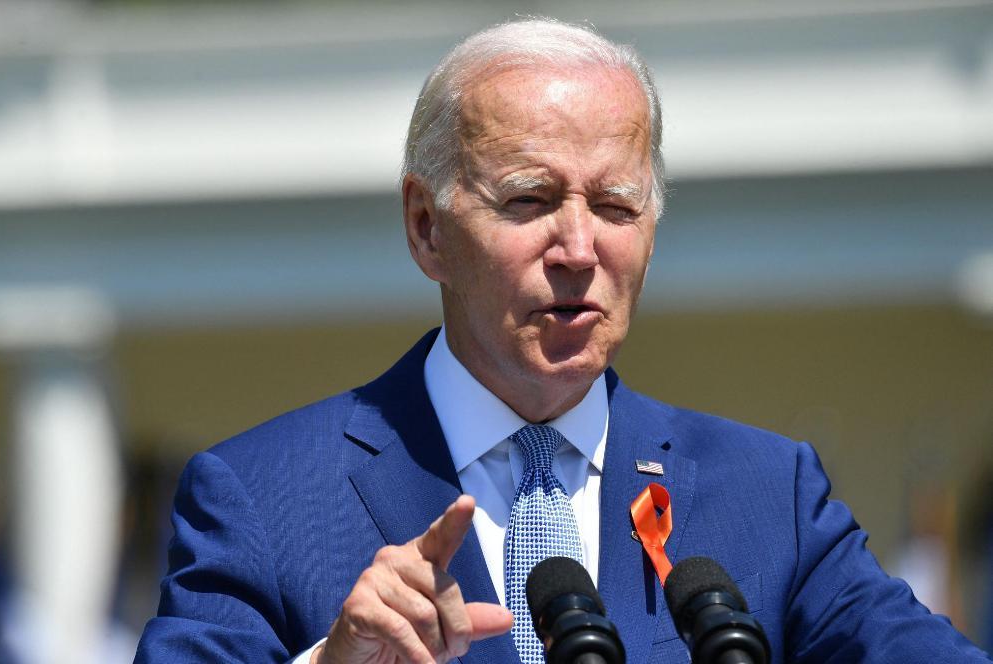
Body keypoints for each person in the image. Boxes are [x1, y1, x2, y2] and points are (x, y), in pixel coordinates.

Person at [135, 18, 990, 663]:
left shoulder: (769, 497)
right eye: (530, 200)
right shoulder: (262, 494)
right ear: (427, 227)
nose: (580, 250)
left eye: (616, 206)